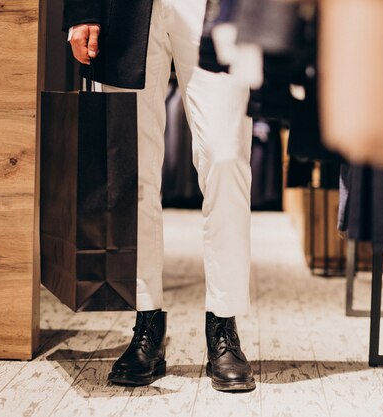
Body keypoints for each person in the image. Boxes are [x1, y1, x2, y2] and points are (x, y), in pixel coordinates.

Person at [63, 0, 255, 392]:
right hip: (127, 10)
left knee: (226, 156)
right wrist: (82, 11)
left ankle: (224, 321)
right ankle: (146, 319)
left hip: (214, 8)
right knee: (130, 167)